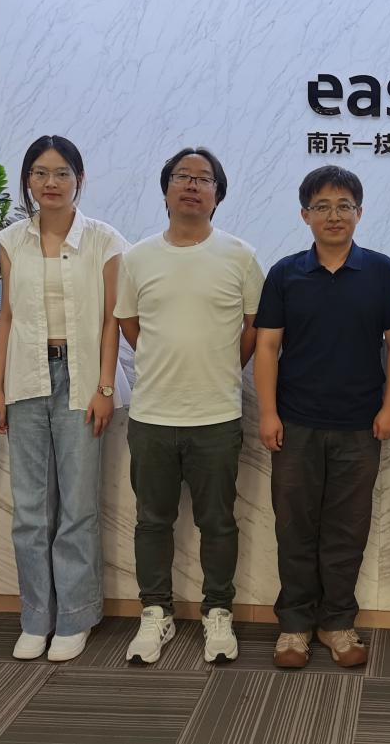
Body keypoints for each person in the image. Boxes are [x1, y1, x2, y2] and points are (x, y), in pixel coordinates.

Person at [254, 165, 390, 669]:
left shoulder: (382, 271)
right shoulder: (285, 274)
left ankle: (338, 623)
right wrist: (268, 412)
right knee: (294, 528)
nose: (334, 215)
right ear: (305, 215)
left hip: (360, 426)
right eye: (321, 206)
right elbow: (267, 347)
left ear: (359, 213)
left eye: (344, 206)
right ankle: (295, 626)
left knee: (347, 530)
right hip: (295, 424)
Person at [114, 146, 264, 666]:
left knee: (218, 522)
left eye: (204, 179)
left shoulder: (240, 256)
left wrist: (221, 365)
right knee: (151, 522)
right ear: (166, 189)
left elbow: (254, 328)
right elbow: (129, 324)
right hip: (152, 416)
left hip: (216, 416)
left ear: (217, 195)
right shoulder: (137, 258)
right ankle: (155, 612)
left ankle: (217, 612)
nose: (193, 185)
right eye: (182, 176)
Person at [0, 135, 128, 662]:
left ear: (79, 180)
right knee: (29, 509)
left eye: (62, 173)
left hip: (82, 377)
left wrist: (105, 386)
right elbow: (7, 319)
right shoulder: (10, 240)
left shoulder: (104, 239)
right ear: (28, 179)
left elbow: (112, 320)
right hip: (26, 377)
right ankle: (35, 617)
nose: (51, 183)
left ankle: (74, 616)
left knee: (78, 506)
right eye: (41, 173)